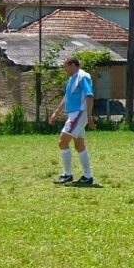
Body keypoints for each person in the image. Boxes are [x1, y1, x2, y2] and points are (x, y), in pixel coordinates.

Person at [49, 57, 96, 186]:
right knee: (79, 145)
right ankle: (88, 177)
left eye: (66, 66)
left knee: (62, 141)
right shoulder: (71, 80)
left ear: (73, 65)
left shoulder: (82, 76)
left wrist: (89, 116)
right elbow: (67, 97)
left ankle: (67, 174)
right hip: (75, 114)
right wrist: (56, 112)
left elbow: (89, 95)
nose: (65, 69)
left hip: (79, 113)